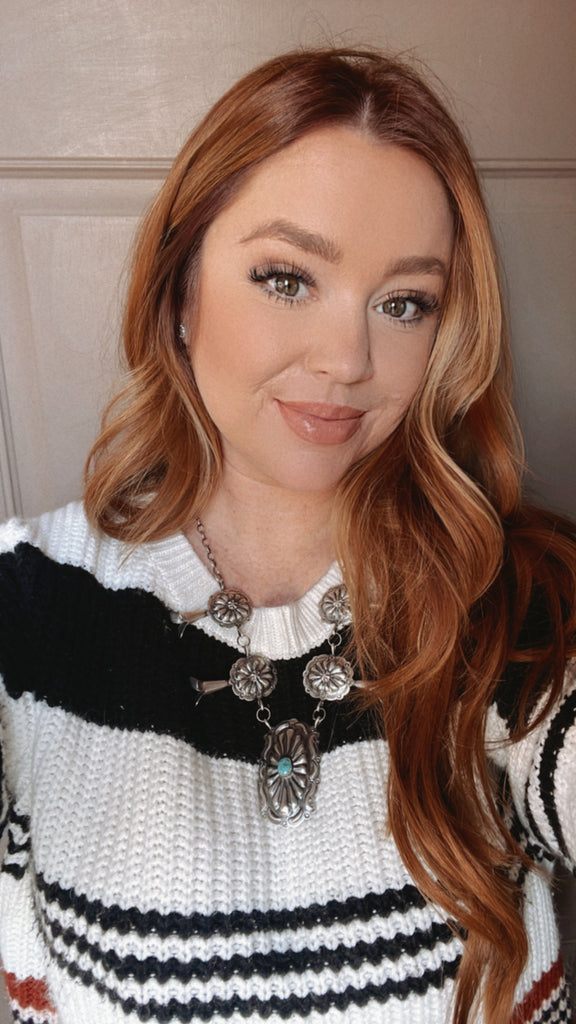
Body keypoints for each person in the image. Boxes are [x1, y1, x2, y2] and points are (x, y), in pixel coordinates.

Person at [0, 47, 574, 1024]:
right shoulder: (29, 602)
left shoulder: (513, 599)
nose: (348, 360)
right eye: (287, 278)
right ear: (180, 291)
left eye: (404, 303)